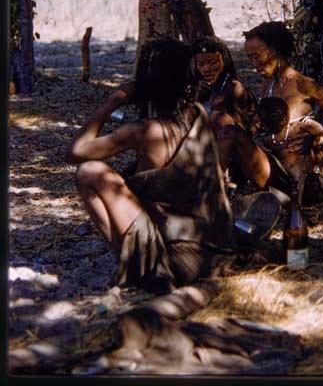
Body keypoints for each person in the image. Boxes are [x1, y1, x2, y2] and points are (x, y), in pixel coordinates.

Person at [65, 37, 238, 295]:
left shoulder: (144, 132)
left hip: (173, 259)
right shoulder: (197, 113)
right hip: (212, 249)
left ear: (147, 83)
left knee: (89, 171)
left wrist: (113, 101)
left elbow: (75, 152)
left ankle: (138, 271)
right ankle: (137, 266)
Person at [216, 21, 323, 199]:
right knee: (226, 128)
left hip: (303, 177)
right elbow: (260, 126)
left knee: (229, 132)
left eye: (256, 56)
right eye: (250, 58)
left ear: (274, 51)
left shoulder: (304, 84)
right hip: (274, 170)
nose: (253, 64)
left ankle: (216, 194)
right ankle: (221, 190)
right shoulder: (267, 85)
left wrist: (319, 139)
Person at [193, 35, 256, 180]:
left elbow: (250, 127)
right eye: (201, 64)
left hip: (236, 160)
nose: (206, 69)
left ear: (224, 60)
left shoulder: (234, 87)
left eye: (213, 62)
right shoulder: (200, 87)